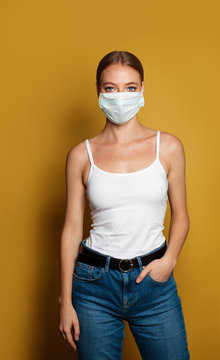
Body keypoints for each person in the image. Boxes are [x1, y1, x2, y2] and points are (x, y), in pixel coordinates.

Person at [58, 50, 190, 360]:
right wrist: (65, 301)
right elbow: (71, 230)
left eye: (130, 88)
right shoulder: (81, 155)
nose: (121, 96)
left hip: (153, 281)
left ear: (143, 88)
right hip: (93, 286)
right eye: (111, 88)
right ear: (99, 91)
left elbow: (181, 215)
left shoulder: (168, 147)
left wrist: (170, 259)